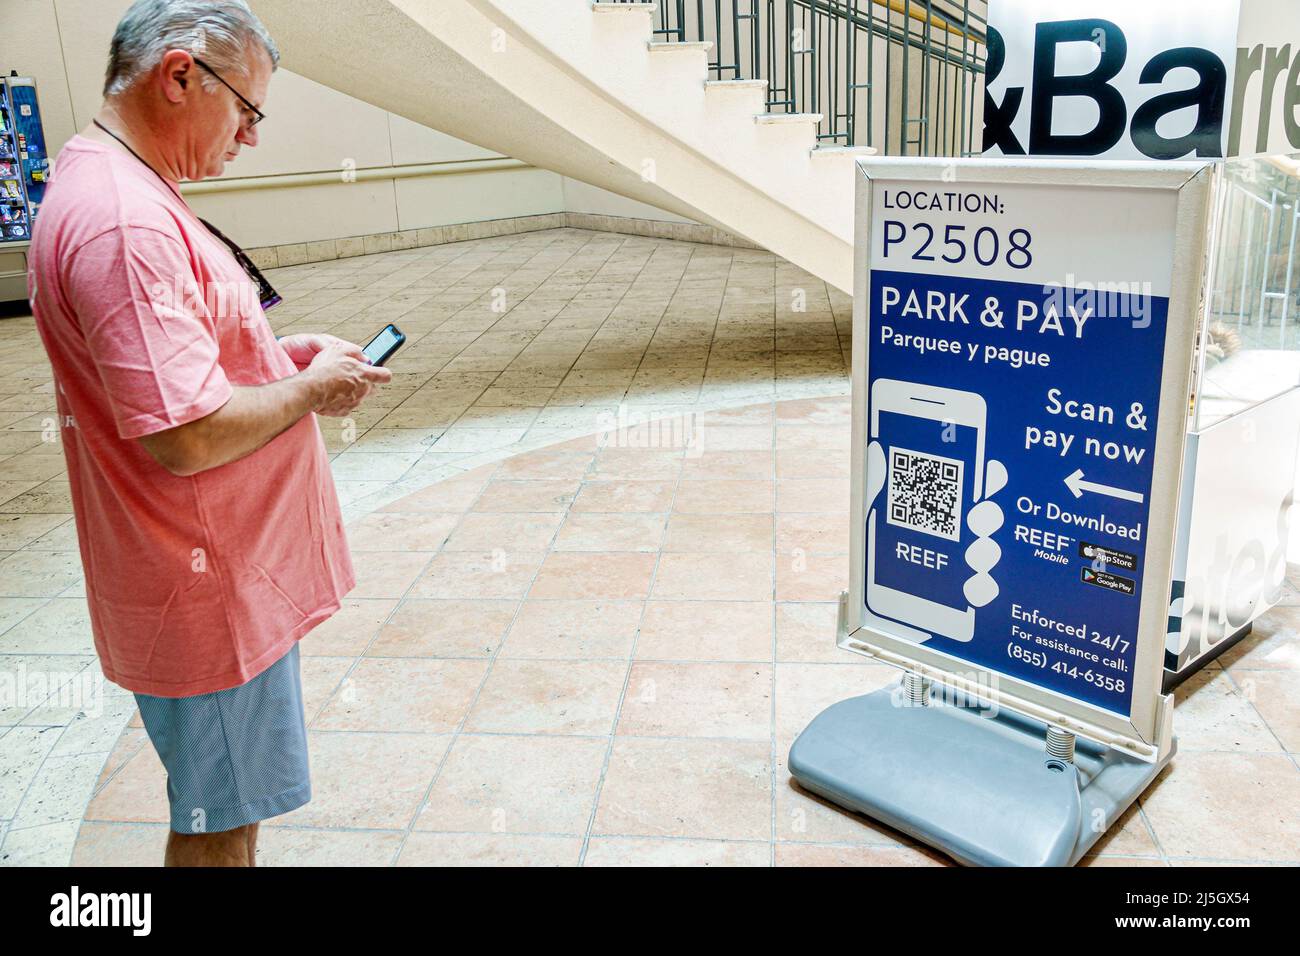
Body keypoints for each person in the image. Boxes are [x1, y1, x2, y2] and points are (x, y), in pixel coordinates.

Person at [27, 0, 391, 866]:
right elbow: (184, 436)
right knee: (219, 829)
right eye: (249, 110)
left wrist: (280, 355)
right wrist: (307, 389)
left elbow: (173, 362)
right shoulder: (126, 223)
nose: (252, 137)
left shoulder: (122, 184)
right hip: (206, 590)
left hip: (216, 579)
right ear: (181, 73)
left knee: (224, 810)